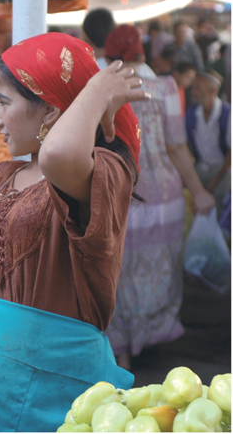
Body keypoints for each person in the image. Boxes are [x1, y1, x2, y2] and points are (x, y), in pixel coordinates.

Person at [0, 32, 147, 432]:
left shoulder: (104, 171)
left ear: (48, 109)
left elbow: (59, 154)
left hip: (49, 387)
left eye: (3, 102)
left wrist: (96, 89)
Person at [101, 25, 216, 371]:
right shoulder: (163, 87)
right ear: (141, 52)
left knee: (116, 271)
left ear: (109, 54)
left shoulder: (100, 91)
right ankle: (150, 339)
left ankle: (121, 348)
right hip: (163, 197)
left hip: (118, 192)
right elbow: (177, 147)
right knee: (158, 269)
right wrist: (198, 190)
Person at [186, 70, 231, 216]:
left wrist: (215, 181)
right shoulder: (191, 114)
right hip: (201, 167)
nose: (193, 91)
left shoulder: (228, 113)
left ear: (213, 89)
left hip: (224, 169)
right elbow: (184, 146)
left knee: (222, 195)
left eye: (198, 87)